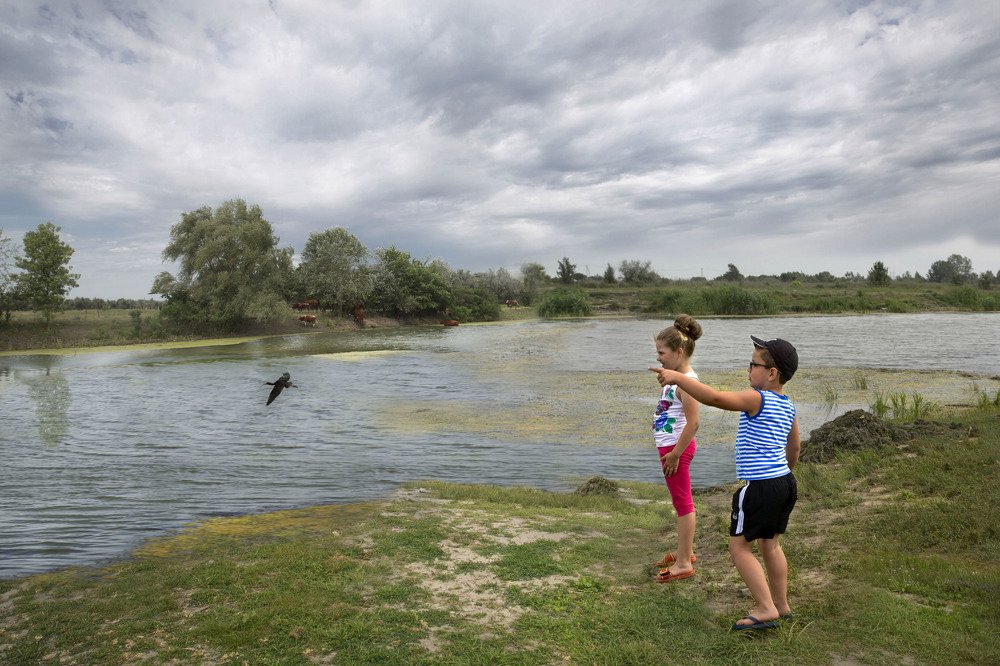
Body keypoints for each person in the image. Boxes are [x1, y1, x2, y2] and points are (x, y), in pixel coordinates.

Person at [650, 335, 800, 631]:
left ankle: (765, 607)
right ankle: (781, 605)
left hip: (759, 486)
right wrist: (783, 474)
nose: (748, 370)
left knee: (740, 548)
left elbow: (715, 398)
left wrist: (679, 378)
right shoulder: (788, 405)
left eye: (753, 364)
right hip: (784, 482)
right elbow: (793, 449)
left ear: (771, 373)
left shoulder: (756, 397)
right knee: (771, 545)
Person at [650, 315, 702, 583]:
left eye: (662, 352)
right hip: (670, 448)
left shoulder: (687, 382)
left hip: (676, 450)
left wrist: (675, 454)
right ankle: (686, 551)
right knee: (679, 501)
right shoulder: (676, 379)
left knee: (683, 504)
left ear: (679, 352)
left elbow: (693, 423)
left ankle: (683, 562)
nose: (658, 357)